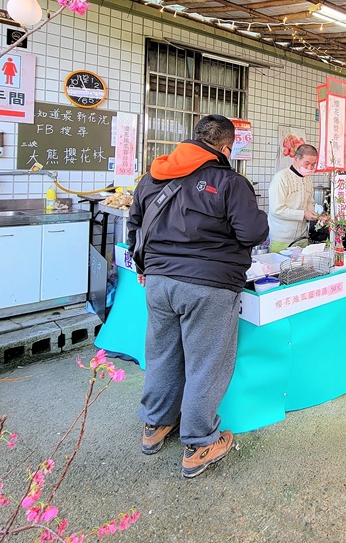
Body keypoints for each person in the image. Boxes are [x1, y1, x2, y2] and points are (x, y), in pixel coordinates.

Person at [126, 115, 268, 477]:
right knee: (206, 363)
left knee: (162, 354)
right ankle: (199, 444)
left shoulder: (151, 177)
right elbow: (252, 232)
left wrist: (145, 266)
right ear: (225, 147)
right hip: (209, 286)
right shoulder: (229, 182)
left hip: (158, 283)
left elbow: (135, 227)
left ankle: (155, 425)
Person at [267, 144, 319, 252]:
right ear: (296, 159)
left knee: (301, 269)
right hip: (281, 239)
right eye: (307, 163)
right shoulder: (281, 178)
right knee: (280, 268)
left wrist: (312, 212)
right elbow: (277, 210)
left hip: (302, 237)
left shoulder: (308, 179)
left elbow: (310, 200)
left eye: (313, 164)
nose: (310, 168)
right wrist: (303, 214)